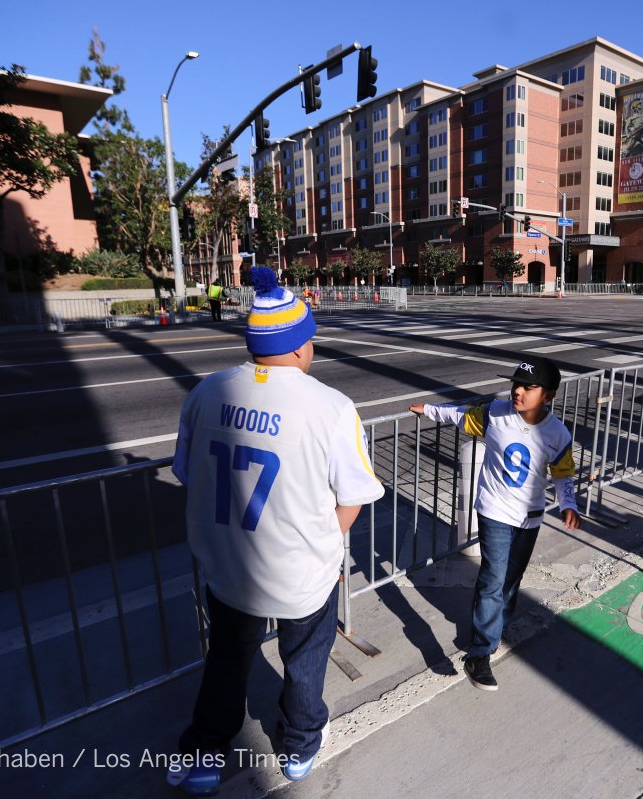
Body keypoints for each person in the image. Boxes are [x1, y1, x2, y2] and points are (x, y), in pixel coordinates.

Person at [167, 266, 384, 793]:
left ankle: (203, 756)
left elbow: (187, 473)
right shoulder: (331, 407)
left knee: (226, 659)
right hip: (301, 571)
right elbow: (353, 495)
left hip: (228, 568)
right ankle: (300, 746)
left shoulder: (207, 392)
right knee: (304, 659)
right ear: (300, 345)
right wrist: (328, 545)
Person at [409, 355, 580, 691]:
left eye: (528, 387)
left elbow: (563, 473)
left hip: (529, 518)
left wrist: (569, 504)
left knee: (510, 582)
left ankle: (495, 629)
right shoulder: (495, 414)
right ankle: (479, 653)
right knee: (492, 579)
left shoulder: (558, 434)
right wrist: (428, 409)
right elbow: (460, 416)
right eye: (516, 384)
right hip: (495, 511)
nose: (518, 391)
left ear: (548, 395)